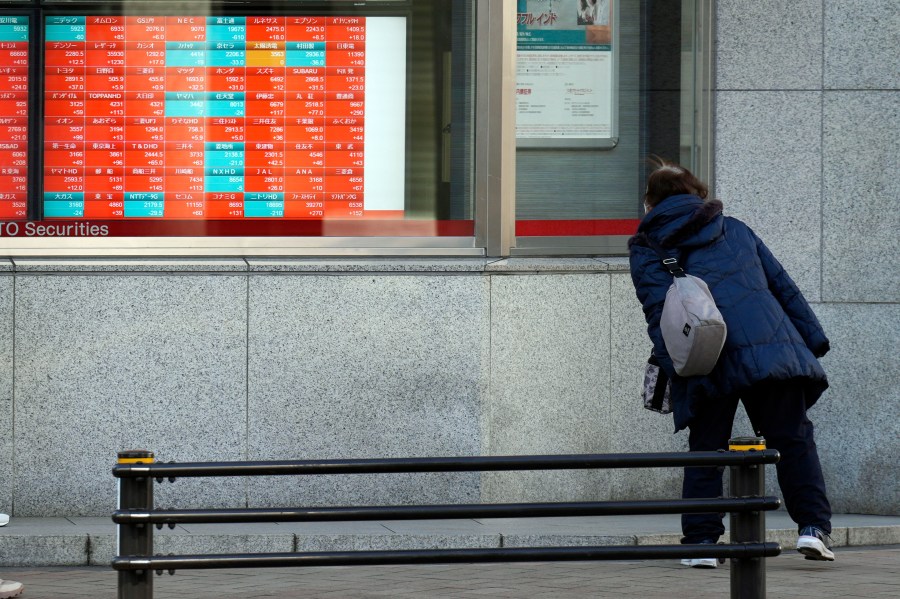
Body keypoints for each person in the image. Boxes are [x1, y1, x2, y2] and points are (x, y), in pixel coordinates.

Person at [628, 158, 835, 568]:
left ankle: (704, 544)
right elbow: (782, 286)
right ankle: (813, 530)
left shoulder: (647, 246)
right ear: (697, 194)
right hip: (772, 347)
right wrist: (812, 339)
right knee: (792, 440)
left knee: (707, 447)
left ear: (649, 204)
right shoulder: (735, 227)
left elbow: (659, 313)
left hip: (709, 354)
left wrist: (675, 368)